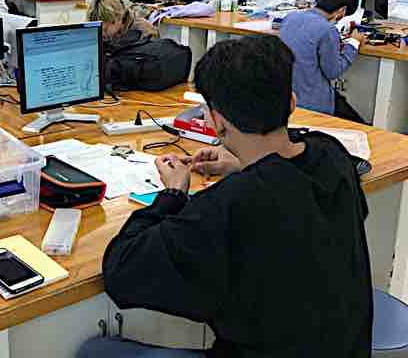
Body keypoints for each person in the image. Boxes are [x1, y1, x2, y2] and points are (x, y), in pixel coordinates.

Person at [79, 35, 372, 358]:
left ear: (217, 122)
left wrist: (173, 193)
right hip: (346, 347)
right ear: (291, 103)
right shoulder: (333, 156)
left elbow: (121, 271)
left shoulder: (231, 204)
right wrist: (244, 162)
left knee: (96, 351)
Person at [280, 0, 365, 122]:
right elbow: (333, 71)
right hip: (313, 102)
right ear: (342, 10)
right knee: (357, 121)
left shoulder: (290, 17)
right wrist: (354, 43)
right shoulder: (328, 30)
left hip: (288, 96)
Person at [87, 0, 158, 43]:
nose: (102, 33)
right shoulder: (99, 26)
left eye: (105, 29)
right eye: (99, 29)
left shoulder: (145, 31)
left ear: (119, 18)